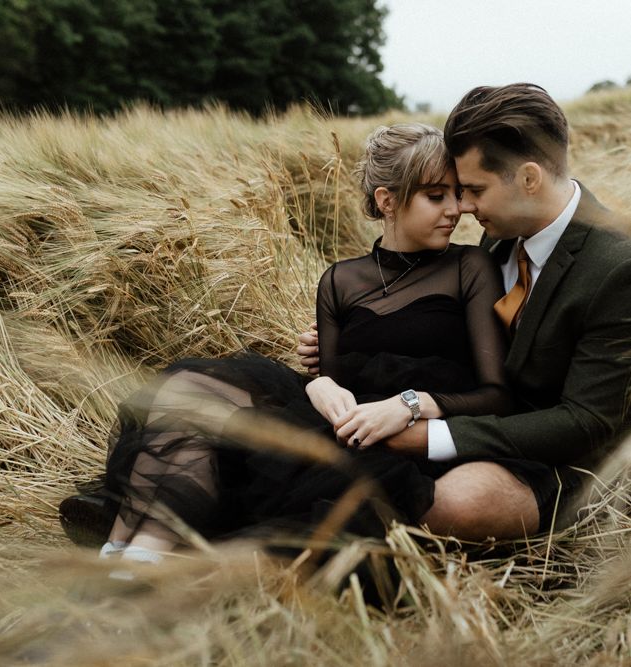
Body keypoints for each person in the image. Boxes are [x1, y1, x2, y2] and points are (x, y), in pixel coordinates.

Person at [59, 123, 515, 562]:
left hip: (396, 438)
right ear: (387, 200)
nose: (455, 210)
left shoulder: (469, 268)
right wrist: (320, 385)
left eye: (457, 194)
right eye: (436, 197)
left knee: (244, 460)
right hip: (336, 420)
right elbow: (333, 379)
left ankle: (129, 553)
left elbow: (495, 393)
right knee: (186, 388)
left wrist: (412, 404)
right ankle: (128, 558)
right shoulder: (341, 280)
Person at [299, 83, 631, 540]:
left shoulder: (618, 267)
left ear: (529, 179)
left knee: (458, 503)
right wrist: (362, 342)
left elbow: (585, 422)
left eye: (473, 190)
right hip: (470, 416)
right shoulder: (501, 234)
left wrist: (429, 434)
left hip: (560, 458)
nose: (465, 209)